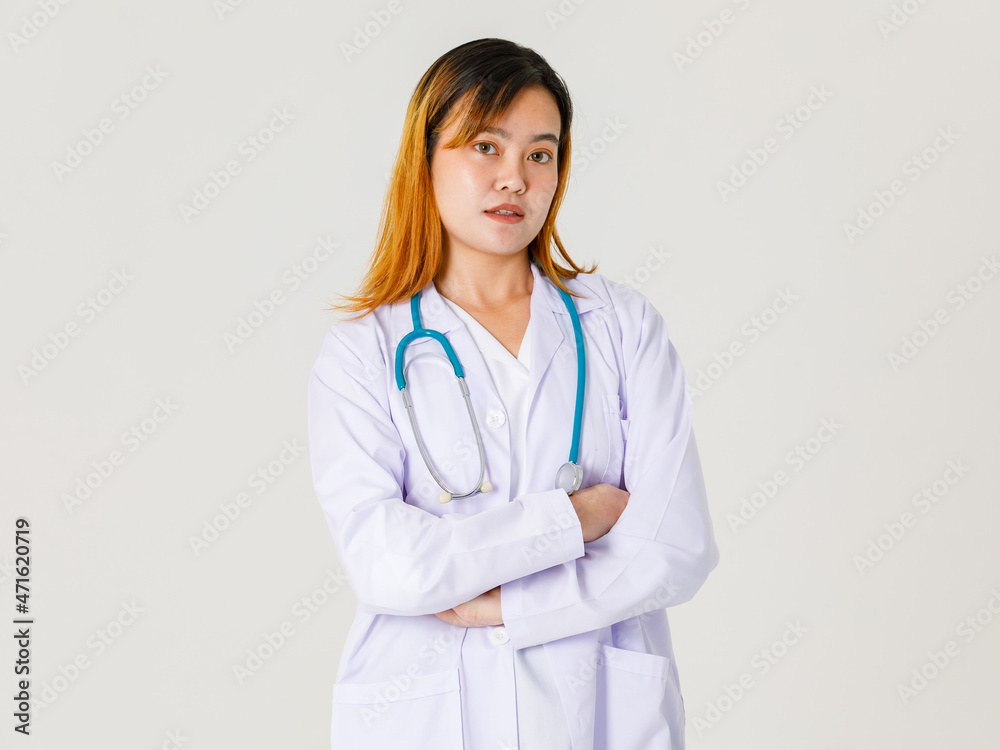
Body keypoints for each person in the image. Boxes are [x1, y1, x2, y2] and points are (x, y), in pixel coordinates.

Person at [307, 37, 719, 750]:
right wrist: (572, 517)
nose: (514, 180)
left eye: (540, 153)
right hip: (422, 715)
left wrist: (504, 606)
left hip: (600, 716)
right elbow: (389, 564)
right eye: (485, 147)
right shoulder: (363, 352)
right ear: (425, 158)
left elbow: (674, 545)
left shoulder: (620, 327)